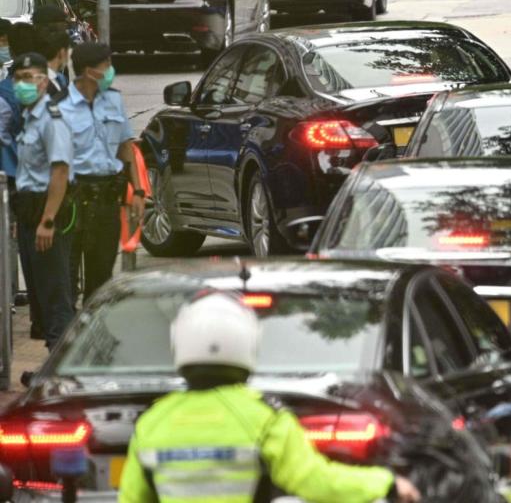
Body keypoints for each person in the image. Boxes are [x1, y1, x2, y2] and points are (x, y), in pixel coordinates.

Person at [118, 291, 422, 503]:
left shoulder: (152, 423)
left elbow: (131, 499)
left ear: (178, 344)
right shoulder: (264, 418)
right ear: (249, 343)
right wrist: (386, 483)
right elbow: (317, 483)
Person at [59, 43, 141, 302]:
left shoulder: (114, 99)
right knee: (67, 276)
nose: (110, 71)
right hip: (72, 199)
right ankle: (68, 336)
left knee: (102, 276)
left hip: (107, 198)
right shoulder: (60, 105)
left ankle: (94, 331)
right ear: (88, 71)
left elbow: (125, 148)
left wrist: (137, 191)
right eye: (105, 66)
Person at [11, 52, 73, 351]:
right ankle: (50, 366)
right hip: (28, 214)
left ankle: (59, 371)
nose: (22, 85)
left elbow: (60, 171)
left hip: (46, 216)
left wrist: (47, 220)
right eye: (18, 79)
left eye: (29, 79)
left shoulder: (51, 119)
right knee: (39, 296)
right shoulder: (29, 117)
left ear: (44, 81)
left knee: (54, 293)